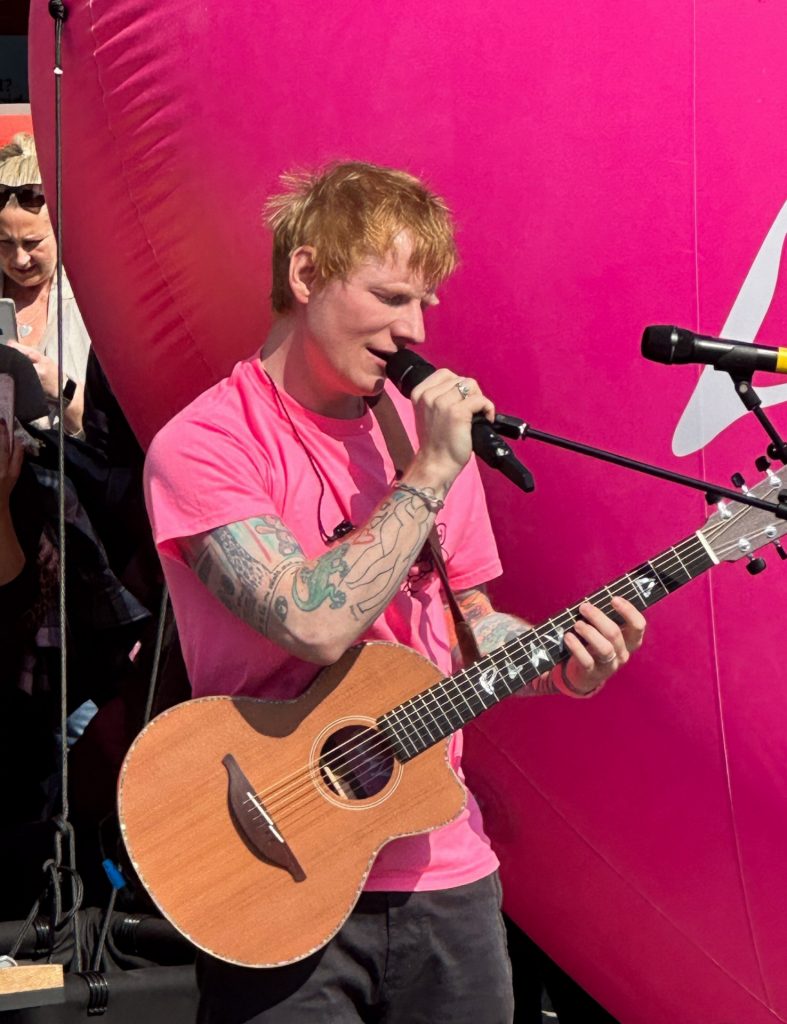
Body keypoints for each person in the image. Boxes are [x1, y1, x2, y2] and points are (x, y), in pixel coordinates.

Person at [144, 162, 646, 1023]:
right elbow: (313, 624)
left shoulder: (419, 440)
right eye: (388, 298)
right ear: (307, 275)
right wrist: (432, 473)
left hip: (444, 875)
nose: (412, 331)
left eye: (423, 305)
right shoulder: (206, 445)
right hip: (272, 869)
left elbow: (467, 630)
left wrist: (560, 663)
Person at [0, 132, 90, 435]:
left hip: (65, 463)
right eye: (4, 243)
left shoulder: (92, 305)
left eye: (32, 242)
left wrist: (61, 388)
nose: (19, 259)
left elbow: (109, 435)